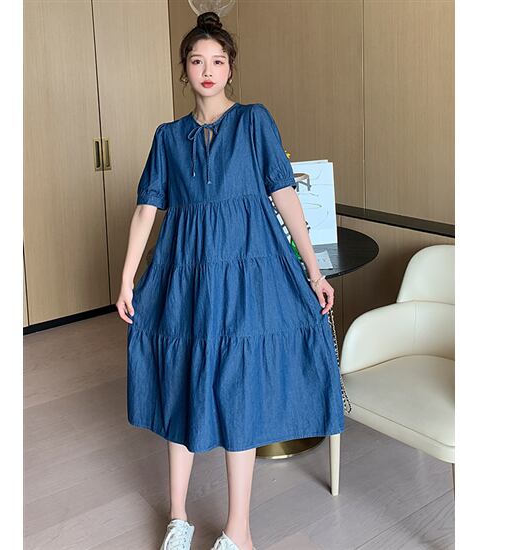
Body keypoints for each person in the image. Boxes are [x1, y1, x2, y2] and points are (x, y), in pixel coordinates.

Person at [116, 11, 344, 550]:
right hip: (185, 275)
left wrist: (313, 270)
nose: (207, 70)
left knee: (239, 385)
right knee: (182, 380)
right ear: (184, 70)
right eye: (197, 61)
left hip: (248, 272)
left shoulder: (254, 121)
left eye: (217, 60)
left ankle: (239, 529)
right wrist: (127, 278)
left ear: (230, 69)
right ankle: (178, 518)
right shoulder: (167, 137)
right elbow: (147, 209)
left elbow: (284, 194)